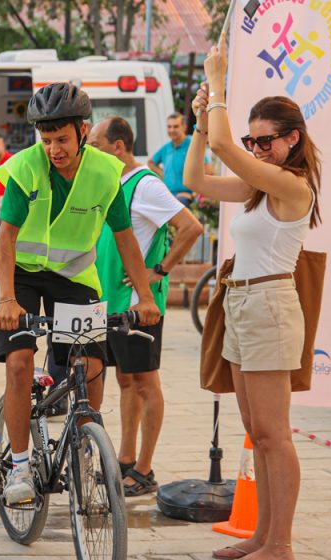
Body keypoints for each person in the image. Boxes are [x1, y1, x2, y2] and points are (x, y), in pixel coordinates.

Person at [0, 83, 161, 505]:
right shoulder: (24, 167)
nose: (53, 149)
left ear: (83, 132)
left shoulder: (104, 172)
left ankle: (84, 444)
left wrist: (146, 297)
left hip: (74, 277)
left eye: (62, 139)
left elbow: (125, 238)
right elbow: (6, 239)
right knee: (20, 362)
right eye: (46, 141)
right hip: (20, 275)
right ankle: (22, 468)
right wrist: (7, 299)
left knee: (92, 362)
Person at [185, 32, 320, 560]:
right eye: (253, 140)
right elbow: (197, 178)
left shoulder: (292, 185)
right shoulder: (260, 186)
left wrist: (218, 83)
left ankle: (281, 546)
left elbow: (224, 150)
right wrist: (200, 120)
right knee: (257, 432)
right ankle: (263, 534)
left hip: (267, 303)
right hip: (242, 303)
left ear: (292, 139)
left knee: (274, 434)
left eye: (266, 141)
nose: (258, 149)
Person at [88, 115, 203, 497]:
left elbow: (190, 227)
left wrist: (160, 271)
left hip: (138, 305)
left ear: (118, 147)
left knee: (145, 382)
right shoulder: (110, 182)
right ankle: (125, 459)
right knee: (124, 380)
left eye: (96, 144)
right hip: (110, 301)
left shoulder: (145, 185)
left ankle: (145, 468)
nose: (90, 150)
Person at [148, 112, 212, 207]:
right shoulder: (166, 147)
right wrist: (163, 174)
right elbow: (151, 163)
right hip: (169, 195)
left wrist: (193, 195)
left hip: (185, 199)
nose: (172, 130)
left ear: (184, 127)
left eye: (175, 126)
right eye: (169, 127)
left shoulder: (192, 144)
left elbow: (209, 170)